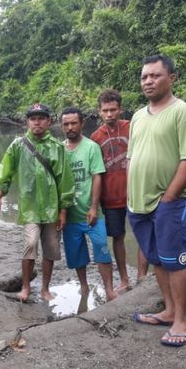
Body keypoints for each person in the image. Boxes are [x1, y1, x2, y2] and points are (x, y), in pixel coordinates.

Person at [127, 54, 186, 347]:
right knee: (158, 259)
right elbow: (132, 158)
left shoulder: (183, 113)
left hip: (169, 203)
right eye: (144, 76)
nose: (148, 81)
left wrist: (169, 197)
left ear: (171, 78)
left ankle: (183, 321)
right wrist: (129, 196)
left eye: (155, 75)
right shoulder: (137, 116)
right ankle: (169, 310)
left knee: (175, 262)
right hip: (138, 203)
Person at [0, 103, 75, 303]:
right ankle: (26, 287)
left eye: (41, 118)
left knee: (51, 248)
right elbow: (6, 172)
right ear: (27, 122)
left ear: (48, 121)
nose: (37, 122)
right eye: (33, 118)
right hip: (29, 208)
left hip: (52, 208)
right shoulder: (18, 145)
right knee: (30, 244)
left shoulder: (57, 148)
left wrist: (63, 210)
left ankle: (45, 288)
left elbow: (65, 181)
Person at [90, 89, 148, 291]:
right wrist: (93, 204)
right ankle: (124, 279)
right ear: (99, 111)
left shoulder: (132, 128)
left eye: (113, 110)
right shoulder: (95, 137)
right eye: (105, 110)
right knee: (118, 237)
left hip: (136, 193)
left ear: (120, 109)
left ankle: (141, 276)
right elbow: (94, 173)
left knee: (143, 234)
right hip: (110, 199)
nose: (109, 114)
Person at [61, 107, 118, 304]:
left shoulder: (91, 147)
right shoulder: (59, 150)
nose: (70, 127)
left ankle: (109, 290)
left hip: (91, 212)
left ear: (81, 123)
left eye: (73, 123)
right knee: (77, 254)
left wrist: (94, 207)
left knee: (102, 247)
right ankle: (84, 286)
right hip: (69, 215)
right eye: (66, 124)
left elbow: (97, 177)